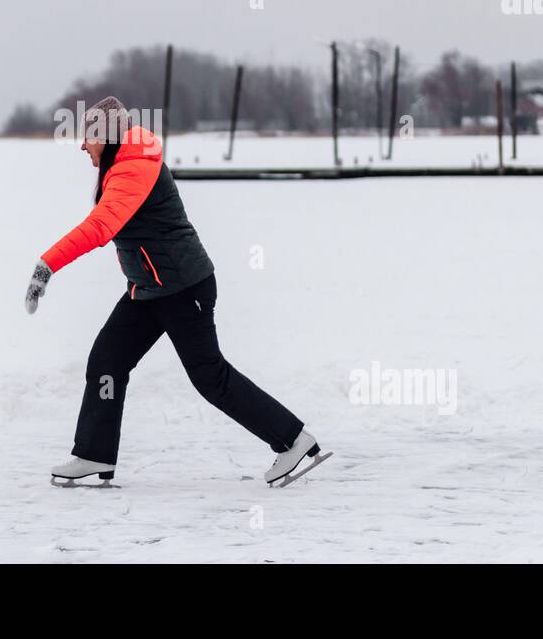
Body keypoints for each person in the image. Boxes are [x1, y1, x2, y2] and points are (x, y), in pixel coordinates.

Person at [24, 96, 321, 487]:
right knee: (107, 361)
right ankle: (93, 454)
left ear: (107, 137)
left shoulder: (132, 169)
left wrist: (47, 264)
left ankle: (293, 440)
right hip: (149, 289)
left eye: (88, 138)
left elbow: (100, 227)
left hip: (182, 288)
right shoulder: (121, 162)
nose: (82, 145)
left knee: (210, 377)